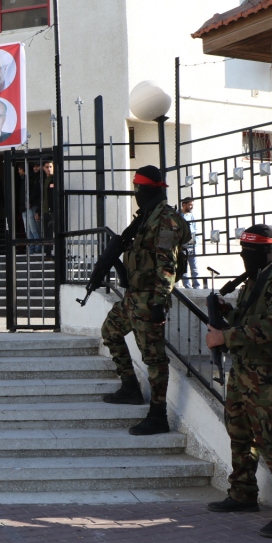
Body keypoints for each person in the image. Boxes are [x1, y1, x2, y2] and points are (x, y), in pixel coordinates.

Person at [205, 225, 272, 538]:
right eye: (242, 251)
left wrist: (225, 336)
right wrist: (228, 313)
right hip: (242, 372)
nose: (244, 257)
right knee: (239, 434)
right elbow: (248, 320)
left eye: (249, 252)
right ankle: (242, 493)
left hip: (268, 376)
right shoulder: (254, 280)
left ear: (267, 251)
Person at [100, 165, 190, 435]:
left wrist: (159, 302)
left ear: (147, 190)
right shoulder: (146, 216)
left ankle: (158, 415)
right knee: (110, 331)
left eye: (137, 189)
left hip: (149, 299)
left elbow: (167, 265)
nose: (136, 193)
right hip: (134, 296)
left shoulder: (165, 219)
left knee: (154, 358)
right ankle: (130, 387)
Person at [179, 197, 201, 288]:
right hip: (182, 246)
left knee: (194, 267)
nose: (192, 207)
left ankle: (196, 286)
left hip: (192, 245)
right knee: (184, 268)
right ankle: (187, 286)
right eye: (190, 205)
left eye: (192, 205)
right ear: (184, 205)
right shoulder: (178, 215)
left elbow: (195, 230)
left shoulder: (191, 215)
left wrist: (196, 241)